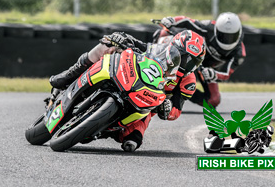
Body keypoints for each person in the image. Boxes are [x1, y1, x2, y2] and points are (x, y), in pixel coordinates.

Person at [50, 30, 206, 152]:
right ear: (173, 47)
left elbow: (177, 109)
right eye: (184, 57)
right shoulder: (159, 50)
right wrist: (121, 39)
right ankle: (68, 75)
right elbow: (135, 43)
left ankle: (108, 128)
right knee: (107, 47)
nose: (186, 63)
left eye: (192, 62)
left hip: (146, 102)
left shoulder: (188, 81)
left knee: (133, 139)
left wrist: (167, 109)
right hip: (128, 77)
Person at [155, 12, 246, 108]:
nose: (227, 40)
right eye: (223, 35)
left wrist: (213, 74)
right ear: (216, 31)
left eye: (232, 36)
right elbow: (188, 21)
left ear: (239, 34)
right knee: (166, 32)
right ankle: (155, 69)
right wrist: (172, 20)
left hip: (207, 68)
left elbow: (227, 73)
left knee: (213, 100)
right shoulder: (208, 27)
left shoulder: (240, 52)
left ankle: (180, 93)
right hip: (191, 56)